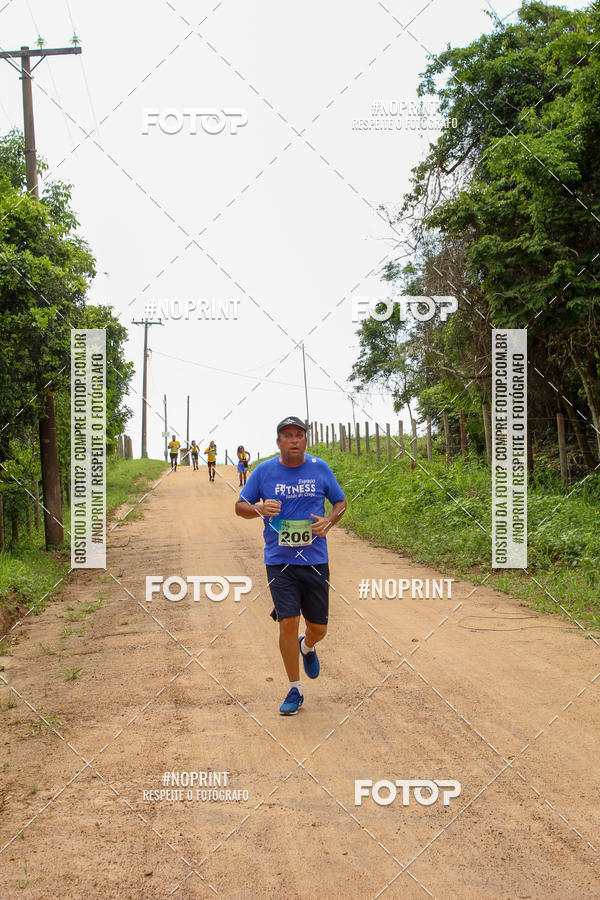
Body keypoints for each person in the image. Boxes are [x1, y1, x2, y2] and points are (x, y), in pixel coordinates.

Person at [234, 416, 346, 715]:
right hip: (279, 561)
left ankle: (307, 646)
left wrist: (329, 521)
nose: (294, 439)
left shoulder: (319, 468)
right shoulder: (264, 471)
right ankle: (295, 688)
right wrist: (257, 508)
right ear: (278, 442)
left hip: (314, 560)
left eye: (299, 434)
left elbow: (340, 502)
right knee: (287, 621)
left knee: (318, 628)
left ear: (305, 440)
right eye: (288, 435)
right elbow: (239, 507)